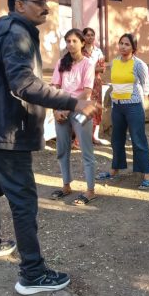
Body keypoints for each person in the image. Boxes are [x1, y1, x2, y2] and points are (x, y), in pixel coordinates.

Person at [0, 0, 98, 295]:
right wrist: (73, 102)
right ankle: (32, 273)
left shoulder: (1, 31)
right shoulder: (17, 33)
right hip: (7, 131)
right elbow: (24, 84)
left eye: (46, 1)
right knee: (24, 202)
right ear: (19, 5)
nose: (46, 7)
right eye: (38, 2)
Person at [97, 33, 149, 189]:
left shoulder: (139, 64)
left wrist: (139, 98)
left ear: (133, 47)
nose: (123, 46)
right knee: (116, 139)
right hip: (117, 107)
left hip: (134, 106)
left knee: (138, 140)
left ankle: (146, 174)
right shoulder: (114, 62)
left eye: (127, 44)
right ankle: (115, 169)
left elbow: (147, 85)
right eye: (121, 43)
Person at [50, 28, 97, 205]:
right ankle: (66, 186)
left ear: (82, 43)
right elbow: (54, 87)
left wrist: (67, 109)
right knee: (62, 149)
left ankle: (90, 190)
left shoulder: (88, 64)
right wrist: (55, 110)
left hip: (80, 111)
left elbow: (86, 92)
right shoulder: (61, 62)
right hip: (61, 110)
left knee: (86, 151)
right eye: (68, 41)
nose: (70, 44)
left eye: (74, 41)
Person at [82, 27, 110, 146]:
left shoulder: (98, 51)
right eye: (87, 35)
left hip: (96, 83)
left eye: (92, 35)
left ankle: (94, 136)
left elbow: (102, 68)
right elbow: (77, 68)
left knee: (97, 109)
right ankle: (80, 138)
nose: (90, 37)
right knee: (83, 108)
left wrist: (88, 69)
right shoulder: (79, 51)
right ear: (83, 37)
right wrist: (93, 68)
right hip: (83, 83)